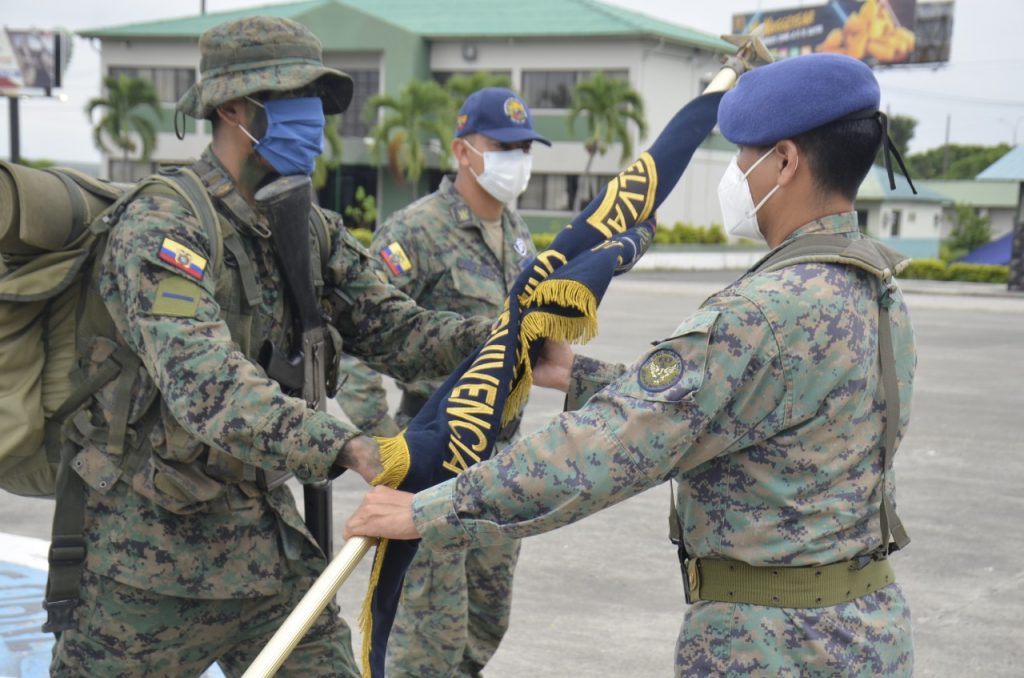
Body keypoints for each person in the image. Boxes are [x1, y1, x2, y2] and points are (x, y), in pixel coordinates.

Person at [346, 53, 918, 676]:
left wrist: (425, 508)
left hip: (773, 646)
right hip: (864, 632)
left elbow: (606, 447)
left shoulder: (759, 313)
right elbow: (743, 409)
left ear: (785, 161)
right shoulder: (875, 286)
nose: (735, 173)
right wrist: (580, 376)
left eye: (742, 155)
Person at [45, 16, 559, 677]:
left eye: (319, 101)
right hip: (145, 568)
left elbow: (396, 328)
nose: (314, 120)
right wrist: (345, 446)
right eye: (295, 99)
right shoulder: (164, 223)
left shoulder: (307, 228)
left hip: (264, 550)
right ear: (234, 107)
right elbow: (209, 385)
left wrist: (510, 339)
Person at [335, 87, 549, 677]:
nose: (518, 158)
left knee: (485, 621)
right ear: (463, 150)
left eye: (525, 146)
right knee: (429, 634)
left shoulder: (518, 231)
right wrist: (387, 452)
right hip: (434, 464)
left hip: (502, 466)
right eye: (503, 146)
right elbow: (356, 343)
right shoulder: (416, 233)